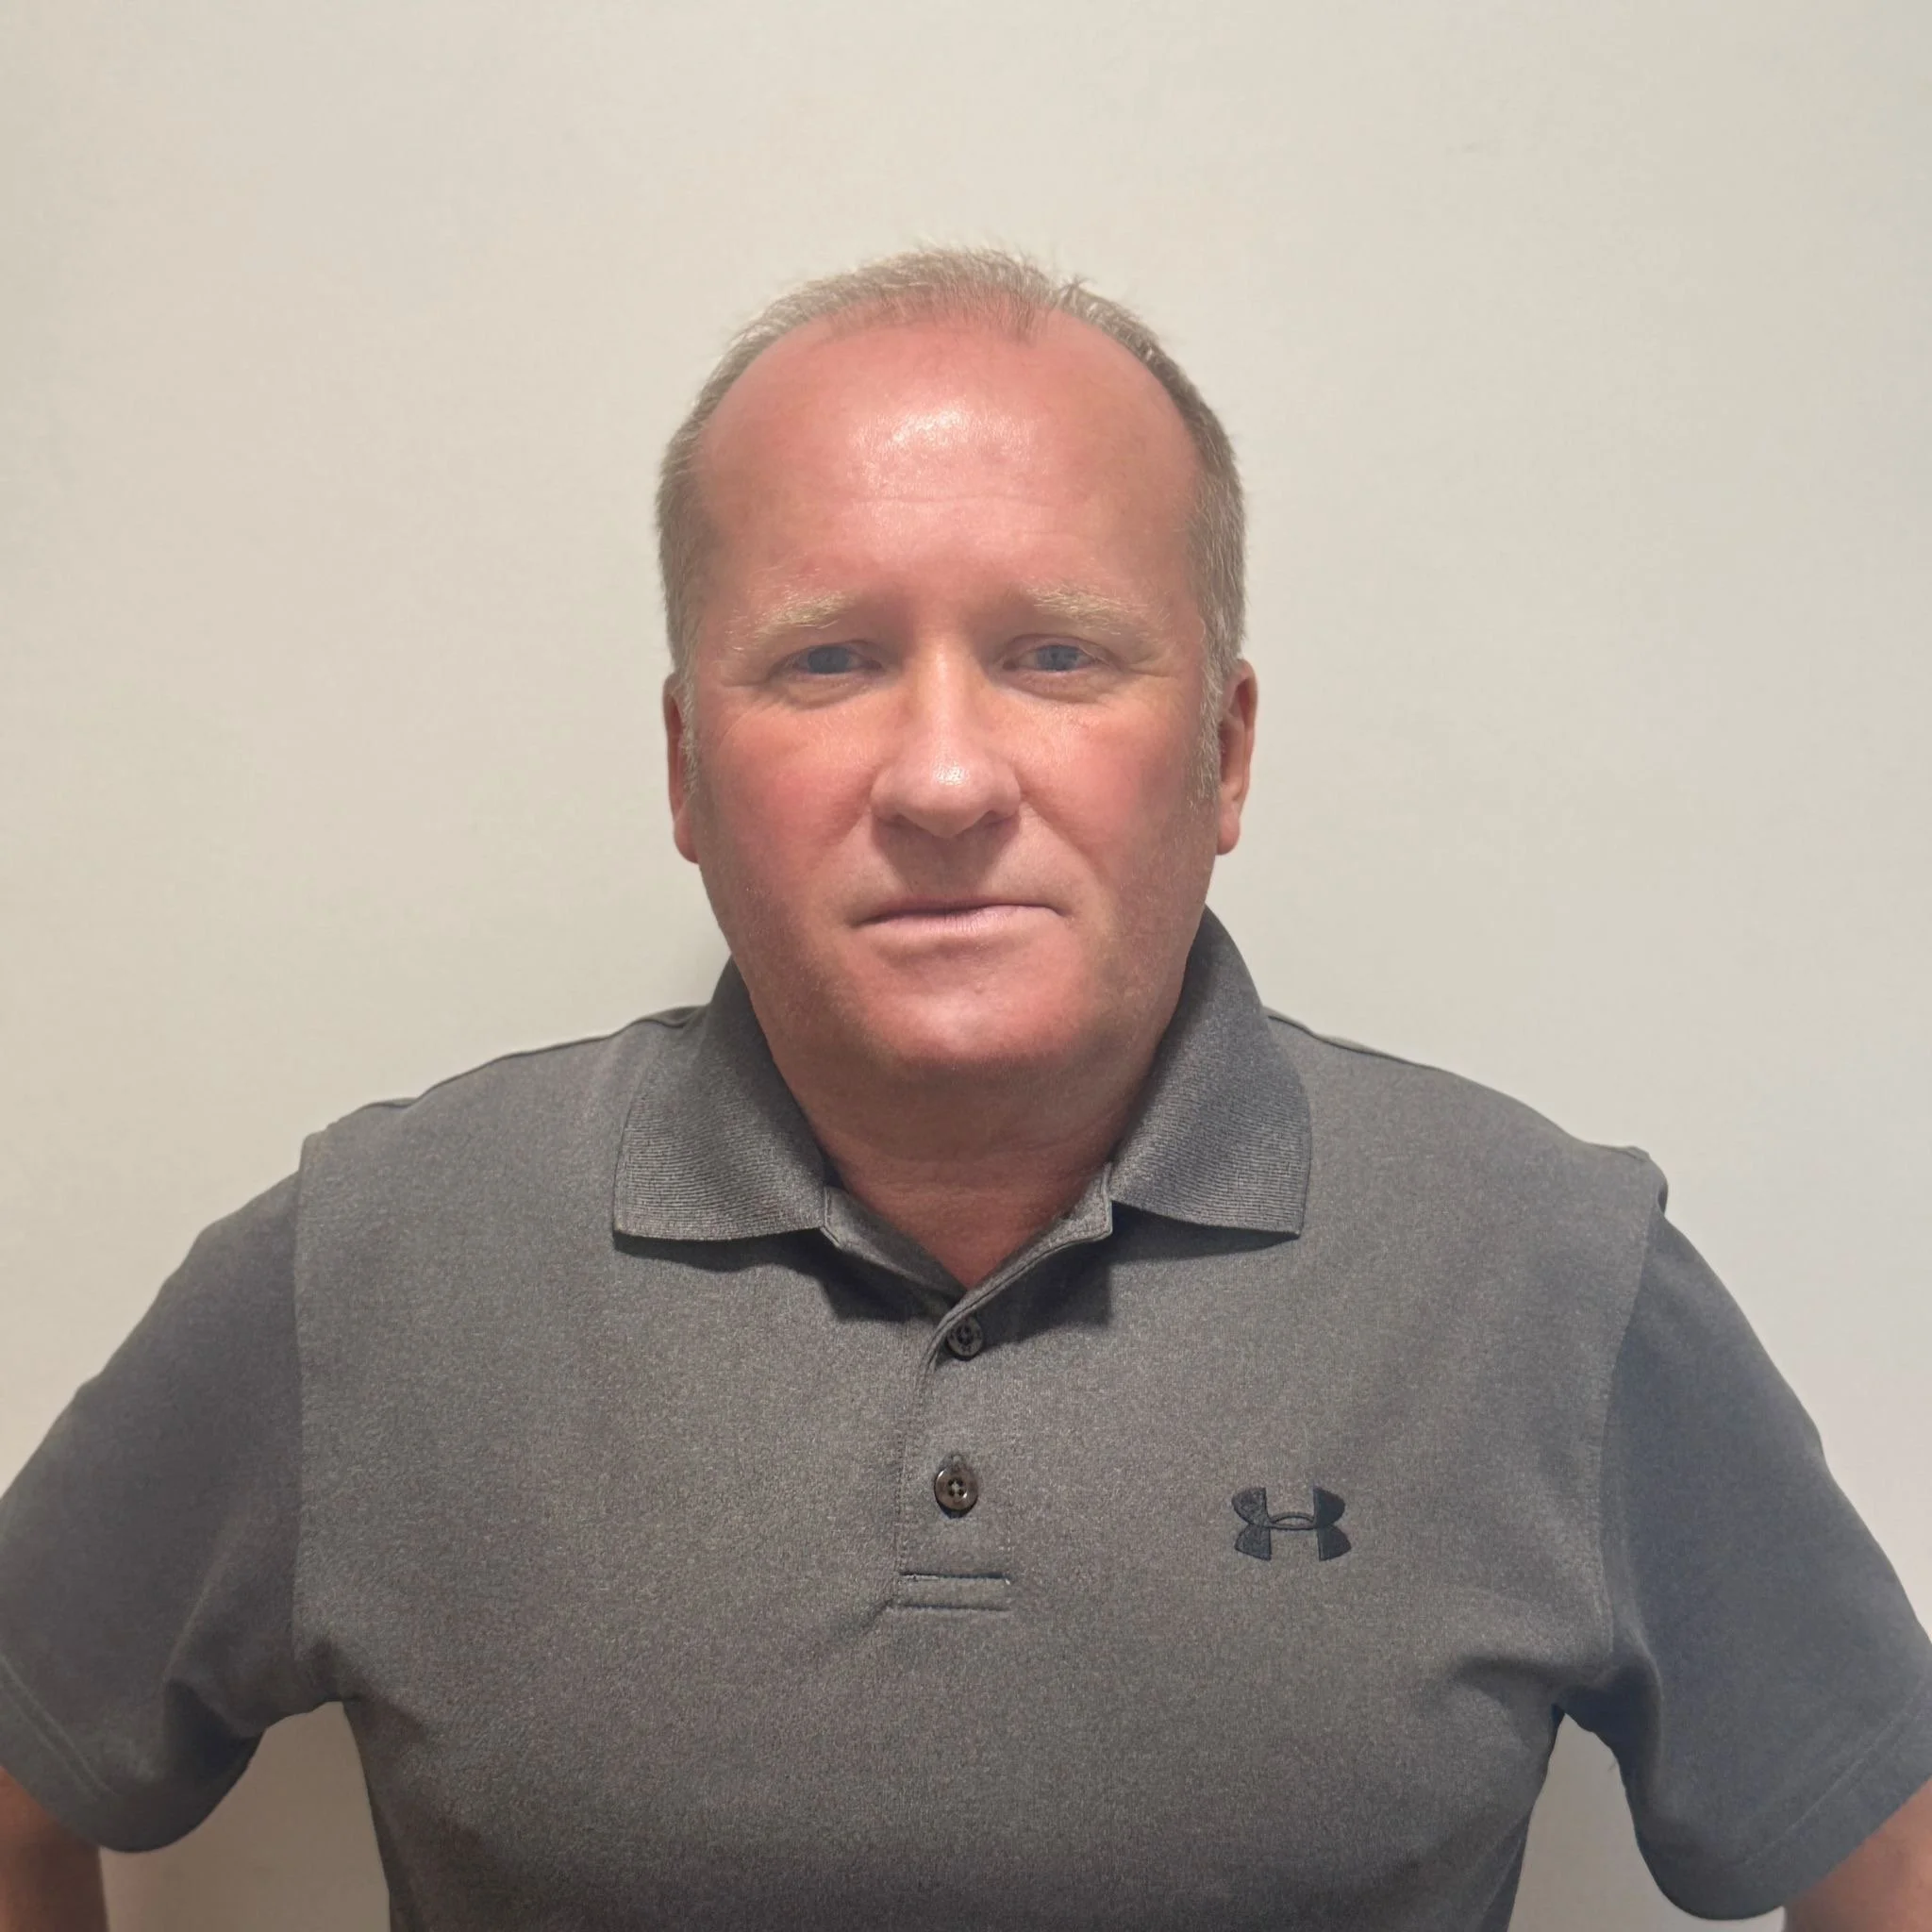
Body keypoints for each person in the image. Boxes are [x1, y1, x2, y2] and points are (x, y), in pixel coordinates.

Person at [1, 247, 1927, 1932]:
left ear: (1227, 751)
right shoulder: (374, 1271)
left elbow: (1889, 1855)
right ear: (685, 771)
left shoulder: (1542, 1273)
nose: (941, 779)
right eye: (826, 659)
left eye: (1056, 655)